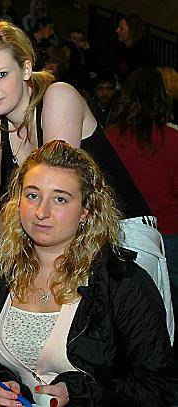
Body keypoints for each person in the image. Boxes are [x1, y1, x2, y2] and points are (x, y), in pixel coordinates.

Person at [0, 22, 175, 340]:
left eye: (1, 74)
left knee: (125, 364)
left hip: (121, 239)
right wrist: (16, 270)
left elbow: (59, 197)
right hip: (60, 248)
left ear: (26, 68)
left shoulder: (57, 97)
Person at [0, 140, 176, 406]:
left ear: (85, 212)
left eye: (60, 199)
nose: (42, 212)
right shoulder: (0, 276)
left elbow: (158, 388)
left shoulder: (122, 283)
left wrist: (80, 393)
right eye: (32, 195)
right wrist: (0, 388)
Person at [106, 67, 178, 342]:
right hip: (169, 234)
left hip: (126, 234)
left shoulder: (110, 139)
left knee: (130, 314)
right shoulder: (173, 140)